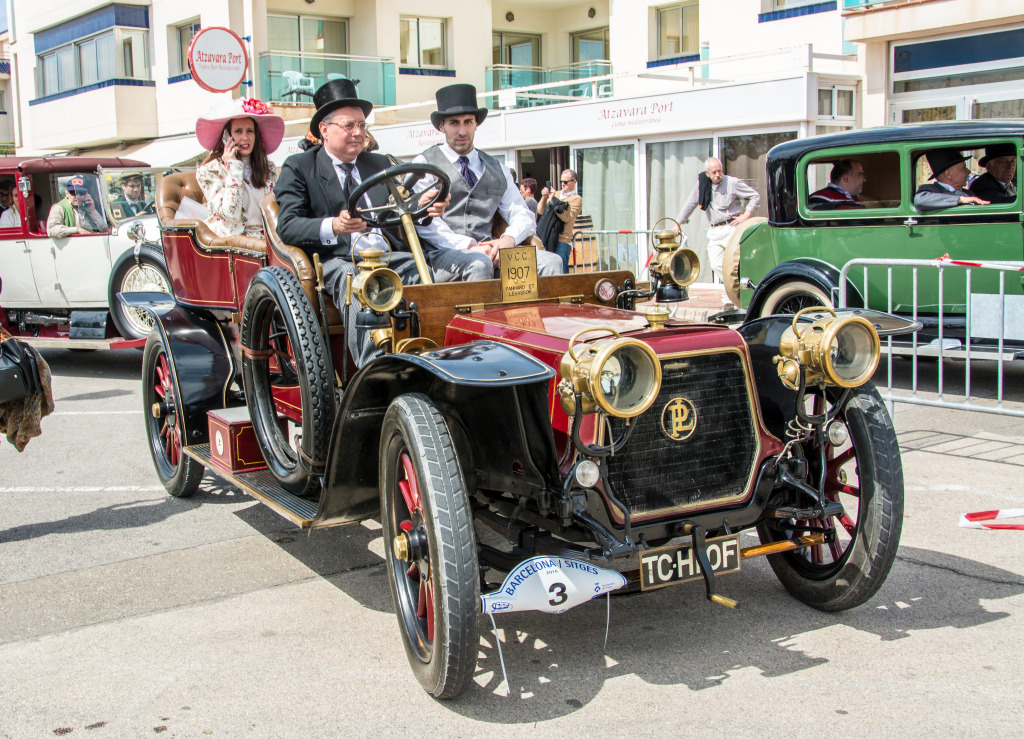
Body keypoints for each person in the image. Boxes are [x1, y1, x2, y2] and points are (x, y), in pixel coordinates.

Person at [274, 79, 459, 367]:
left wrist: (426, 207)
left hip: (392, 255)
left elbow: (402, 210)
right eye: (349, 125)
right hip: (341, 260)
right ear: (324, 129)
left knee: (438, 279)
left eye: (362, 125)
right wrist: (334, 226)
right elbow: (287, 225)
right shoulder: (299, 167)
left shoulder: (379, 163)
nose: (359, 133)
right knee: (364, 284)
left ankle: (436, 360)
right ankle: (374, 374)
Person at [413, 83, 564, 278]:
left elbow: (522, 213)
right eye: (454, 123)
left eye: (468, 122)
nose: (462, 131)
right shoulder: (423, 164)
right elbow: (424, 224)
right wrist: (469, 246)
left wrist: (507, 240)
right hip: (442, 256)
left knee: (552, 262)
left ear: (476, 124)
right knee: (479, 264)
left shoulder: (497, 168)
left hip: (492, 251)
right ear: (442, 126)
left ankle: (543, 310)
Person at [196, 97, 285, 239]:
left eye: (250, 131)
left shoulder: (269, 168)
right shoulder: (209, 171)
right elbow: (230, 213)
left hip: (270, 238)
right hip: (234, 243)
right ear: (227, 136)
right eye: (238, 131)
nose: (245, 137)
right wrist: (234, 168)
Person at [676, 157, 760, 285]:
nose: (718, 175)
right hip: (714, 230)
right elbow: (691, 203)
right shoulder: (702, 184)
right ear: (707, 173)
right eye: (714, 172)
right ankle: (734, 289)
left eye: (719, 171)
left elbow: (754, 196)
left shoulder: (732, 182)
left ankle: (730, 298)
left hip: (731, 227)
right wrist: (678, 223)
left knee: (734, 264)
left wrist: (746, 215)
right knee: (716, 264)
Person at [914, 149, 989, 211]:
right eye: (963, 168)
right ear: (948, 174)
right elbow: (920, 201)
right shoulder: (931, 190)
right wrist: (960, 199)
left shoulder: (968, 193)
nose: (968, 171)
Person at [538, 169, 583, 272]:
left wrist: (553, 201)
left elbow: (567, 217)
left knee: (561, 272)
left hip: (562, 241)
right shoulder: (556, 194)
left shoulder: (576, 199)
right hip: (548, 238)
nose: (563, 184)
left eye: (565, 182)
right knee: (549, 270)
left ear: (574, 181)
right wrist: (544, 198)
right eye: (561, 181)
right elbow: (540, 211)